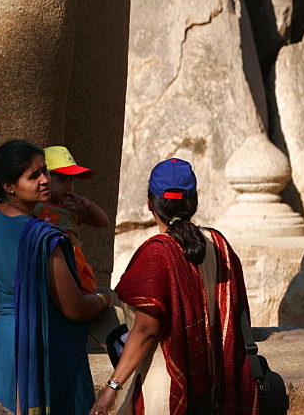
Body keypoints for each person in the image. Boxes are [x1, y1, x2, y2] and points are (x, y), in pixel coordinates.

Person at [90, 158, 258, 415]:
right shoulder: (218, 243)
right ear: (194, 203)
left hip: (164, 392)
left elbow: (146, 329)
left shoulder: (157, 254)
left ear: (150, 203)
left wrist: (111, 388)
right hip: (212, 386)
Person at [0, 139, 118, 415]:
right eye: (34, 176)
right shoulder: (43, 238)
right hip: (34, 346)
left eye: (45, 171)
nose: (45, 180)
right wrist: (105, 297)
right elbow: (75, 309)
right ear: (9, 186)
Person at [34, 144, 109, 293]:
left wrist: (89, 206)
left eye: (71, 180)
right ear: (44, 178)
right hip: (49, 266)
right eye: (62, 180)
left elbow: (103, 222)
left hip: (75, 266)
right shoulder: (34, 206)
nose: (68, 186)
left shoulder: (70, 209)